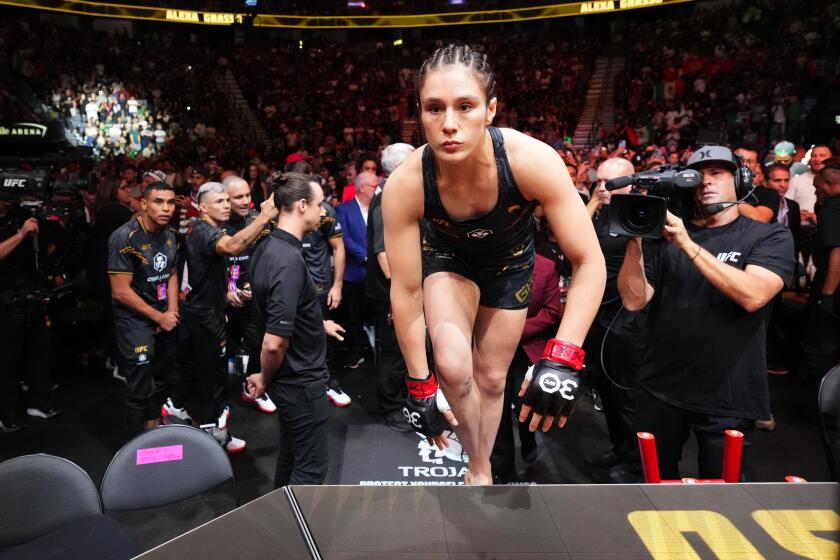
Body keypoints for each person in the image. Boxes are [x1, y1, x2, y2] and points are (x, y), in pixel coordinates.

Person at [382, 45, 605, 485]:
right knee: (450, 366)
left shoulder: (532, 160)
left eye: (465, 106)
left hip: (509, 262)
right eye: (434, 108)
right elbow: (405, 290)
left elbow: (589, 261)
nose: (449, 124)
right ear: (419, 114)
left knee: (490, 377)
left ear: (490, 110)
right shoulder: (405, 184)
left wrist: (563, 358)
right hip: (449, 259)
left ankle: (480, 465)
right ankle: (479, 463)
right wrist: (418, 383)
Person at [617, 145, 795, 480]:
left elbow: (755, 295)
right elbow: (634, 300)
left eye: (717, 173)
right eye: (698, 175)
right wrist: (635, 240)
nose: (705, 182)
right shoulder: (666, 234)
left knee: (721, 500)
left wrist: (687, 244)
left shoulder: (769, 235)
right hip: (661, 388)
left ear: (741, 180)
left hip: (729, 394)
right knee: (653, 490)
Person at [246, 173, 346, 487]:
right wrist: (263, 376)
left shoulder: (268, 247)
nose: (324, 213)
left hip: (291, 379)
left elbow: (284, 309)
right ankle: (295, 535)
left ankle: (282, 525)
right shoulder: (286, 259)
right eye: (319, 206)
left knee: (291, 457)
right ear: (302, 205)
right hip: (300, 380)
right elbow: (274, 343)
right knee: (312, 469)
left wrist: (317, 323)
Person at [169, 182, 278, 454]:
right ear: (202, 206)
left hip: (210, 311)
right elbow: (232, 247)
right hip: (204, 314)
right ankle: (213, 440)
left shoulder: (208, 228)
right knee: (212, 377)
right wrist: (265, 216)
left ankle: (190, 414)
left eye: (227, 200)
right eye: (220, 202)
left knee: (208, 371)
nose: (227, 205)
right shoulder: (205, 231)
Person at [582, 157, 649, 483]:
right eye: (601, 181)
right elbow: (573, 237)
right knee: (605, 389)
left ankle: (637, 465)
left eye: (613, 182)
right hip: (599, 314)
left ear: (632, 183)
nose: (606, 187)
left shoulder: (641, 213)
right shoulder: (603, 207)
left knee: (626, 396)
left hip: (628, 316)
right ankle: (618, 449)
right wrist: (595, 199)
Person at [107, 182, 180, 438]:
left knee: (161, 380)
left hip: (163, 316)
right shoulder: (124, 237)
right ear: (144, 204)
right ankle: (135, 447)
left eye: (170, 202)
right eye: (159, 201)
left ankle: (153, 431)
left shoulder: (171, 234)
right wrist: (159, 316)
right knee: (140, 388)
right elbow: (120, 291)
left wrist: (171, 311)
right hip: (135, 321)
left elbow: (171, 273)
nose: (166, 208)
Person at [490, 253, 563, 483]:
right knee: (497, 411)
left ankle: (528, 441)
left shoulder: (547, 267)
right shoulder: (489, 262)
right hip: (492, 348)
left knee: (525, 403)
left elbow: (551, 312)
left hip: (527, 348)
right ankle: (502, 467)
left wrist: (514, 331)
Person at [366, 143, 415, 431]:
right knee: (395, 351)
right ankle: (391, 407)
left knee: (405, 349)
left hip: (399, 292)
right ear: (399, 168)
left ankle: (405, 400)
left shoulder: (393, 194)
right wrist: (402, 292)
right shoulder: (387, 199)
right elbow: (383, 253)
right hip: (390, 294)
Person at [221, 175, 276, 414]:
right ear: (225, 200)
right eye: (238, 197)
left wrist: (255, 285)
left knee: (257, 343)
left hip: (251, 295)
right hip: (220, 299)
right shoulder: (214, 224)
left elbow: (268, 258)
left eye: (247, 195)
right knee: (219, 350)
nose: (245, 201)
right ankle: (216, 404)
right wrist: (225, 290)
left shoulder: (258, 221)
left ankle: (250, 386)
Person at [300, 176, 352, 406]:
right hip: (291, 287)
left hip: (319, 285)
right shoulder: (279, 217)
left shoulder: (327, 213)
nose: (322, 209)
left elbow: (338, 247)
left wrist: (337, 285)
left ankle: (329, 383)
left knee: (324, 335)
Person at [802, 158, 840, 380]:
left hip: (833, 288)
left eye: (817, 188)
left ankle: (826, 408)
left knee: (819, 347)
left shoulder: (832, 210)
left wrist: (826, 295)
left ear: (827, 185)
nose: (816, 193)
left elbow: (837, 251)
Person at [336, 170, 377, 369]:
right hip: (355, 271)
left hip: (378, 272)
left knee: (378, 314)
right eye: (374, 186)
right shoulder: (344, 209)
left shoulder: (379, 207)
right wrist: (366, 255)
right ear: (362, 188)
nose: (377, 190)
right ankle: (357, 351)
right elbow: (344, 237)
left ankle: (377, 350)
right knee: (354, 316)